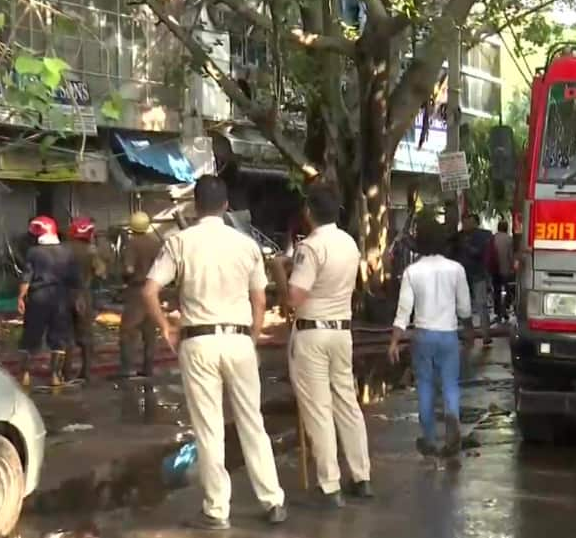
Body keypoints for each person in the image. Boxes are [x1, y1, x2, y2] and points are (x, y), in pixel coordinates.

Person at [141, 176, 286, 530]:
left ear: (194, 205)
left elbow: (149, 290)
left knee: (209, 428)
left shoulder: (179, 241)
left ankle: (217, 509)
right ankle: (273, 501)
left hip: (198, 341)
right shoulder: (246, 245)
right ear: (225, 206)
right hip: (238, 340)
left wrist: (166, 327)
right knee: (252, 422)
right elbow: (260, 299)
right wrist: (251, 335)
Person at [269, 184, 372, 509]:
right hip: (342, 332)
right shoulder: (349, 243)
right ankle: (361, 476)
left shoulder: (310, 247)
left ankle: (329, 485)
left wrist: (278, 272)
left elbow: (293, 300)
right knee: (347, 404)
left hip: (312, 333)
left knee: (318, 409)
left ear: (309, 213)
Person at [388, 211, 473, 459]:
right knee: (450, 384)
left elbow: (403, 311)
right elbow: (465, 307)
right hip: (448, 335)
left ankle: (429, 439)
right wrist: (468, 332)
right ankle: (452, 417)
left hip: (422, 336)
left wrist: (394, 342)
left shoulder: (412, 272)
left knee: (424, 386)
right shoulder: (456, 269)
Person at [17, 216, 80, 387]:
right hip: (60, 297)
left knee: (31, 335)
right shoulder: (67, 251)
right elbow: (75, 280)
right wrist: (76, 299)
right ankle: (55, 376)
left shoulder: (33, 252)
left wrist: (21, 297)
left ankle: (25, 375)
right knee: (58, 337)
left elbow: (26, 277)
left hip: (38, 297)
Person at [119, 211, 162, 378]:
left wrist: (124, 277)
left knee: (128, 331)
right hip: (153, 291)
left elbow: (128, 269)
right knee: (150, 333)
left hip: (136, 291)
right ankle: (148, 367)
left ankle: (127, 368)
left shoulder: (131, 244)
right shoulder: (155, 243)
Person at [65, 217, 105, 381]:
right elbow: (101, 272)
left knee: (65, 335)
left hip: (64, 294)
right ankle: (86, 371)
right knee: (86, 335)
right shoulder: (91, 251)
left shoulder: (63, 249)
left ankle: (65, 373)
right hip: (84, 295)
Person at [455, 213, 493, 347]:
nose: (466, 225)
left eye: (469, 222)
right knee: (464, 306)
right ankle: (468, 334)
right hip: (462, 276)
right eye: (464, 223)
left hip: (478, 275)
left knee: (481, 304)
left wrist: (466, 246)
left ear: (476, 223)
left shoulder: (484, 235)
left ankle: (485, 334)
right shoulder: (458, 236)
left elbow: (479, 252)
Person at [489, 219, 515, 322]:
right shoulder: (509, 239)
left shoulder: (493, 238)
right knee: (508, 290)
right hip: (505, 269)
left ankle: (498, 311)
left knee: (497, 291)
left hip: (495, 268)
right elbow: (510, 255)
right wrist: (512, 266)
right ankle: (506, 308)